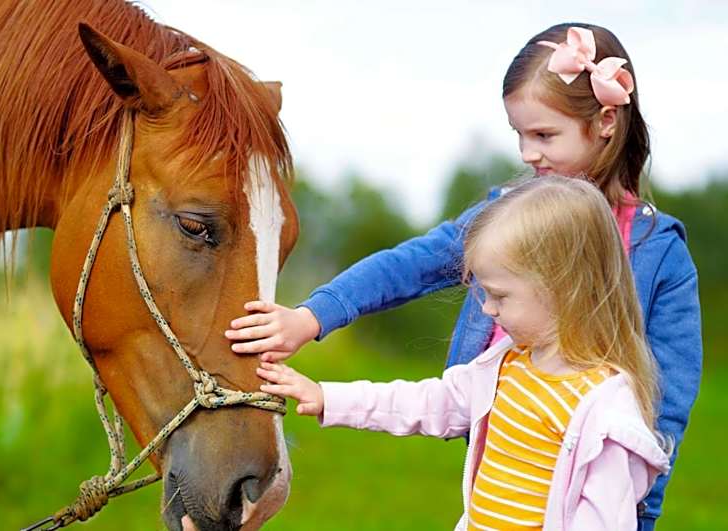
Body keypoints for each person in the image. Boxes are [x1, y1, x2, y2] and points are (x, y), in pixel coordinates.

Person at [225, 23, 701, 529]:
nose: (526, 154)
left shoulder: (658, 252)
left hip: (588, 483)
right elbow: (407, 266)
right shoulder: (506, 218)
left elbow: (662, 409)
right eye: (519, 134)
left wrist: (639, 510)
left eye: (543, 135)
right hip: (504, 461)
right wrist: (311, 317)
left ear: (606, 121)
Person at [257, 176, 672, 530]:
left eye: (499, 296)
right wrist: (328, 397)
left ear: (565, 289)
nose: (487, 310)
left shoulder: (608, 418)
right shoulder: (505, 367)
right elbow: (427, 402)